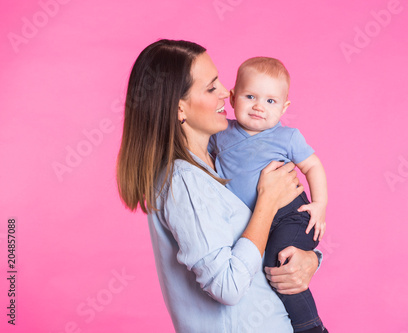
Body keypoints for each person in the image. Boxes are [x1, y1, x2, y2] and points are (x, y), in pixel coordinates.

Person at [116, 39, 322, 333]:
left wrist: (309, 259)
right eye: (211, 88)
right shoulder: (183, 180)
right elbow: (227, 287)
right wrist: (267, 202)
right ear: (179, 109)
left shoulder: (220, 162)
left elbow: (256, 250)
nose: (227, 92)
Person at [209, 57, 328, 332]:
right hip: (258, 221)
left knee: (280, 263)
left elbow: (312, 166)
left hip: (291, 217)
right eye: (250, 96)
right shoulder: (220, 132)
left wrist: (320, 204)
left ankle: (310, 327)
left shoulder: (287, 137)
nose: (259, 106)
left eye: (271, 101)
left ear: (284, 107)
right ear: (233, 97)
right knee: (256, 264)